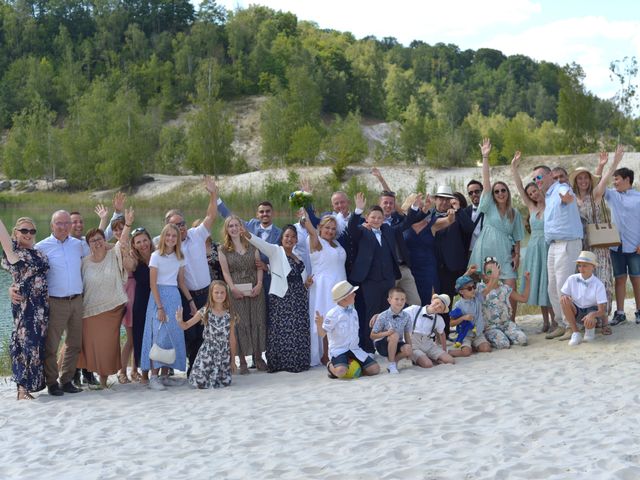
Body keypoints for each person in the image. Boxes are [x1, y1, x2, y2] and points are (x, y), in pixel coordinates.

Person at [348, 192, 421, 353]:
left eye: (379, 218)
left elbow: (405, 224)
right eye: (373, 217)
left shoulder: (388, 229)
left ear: (383, 219)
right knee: (372, 312)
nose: (376, 220)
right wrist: (358, 210)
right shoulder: (361, 230)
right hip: (370, 280)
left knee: (387, 312)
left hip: (388, 279)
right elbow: (351, 228)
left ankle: (384, 346)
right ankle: (368, 347)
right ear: (367, 218)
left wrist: (414, 208)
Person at [161, 177, 220, 377]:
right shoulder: (169, 247)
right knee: (191, 333)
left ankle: (199, 369)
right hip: (186, 296)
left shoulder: (197, 235)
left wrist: (213, 194)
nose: (181, 227)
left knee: (207, 332)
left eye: (182, 223)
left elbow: (211, 215)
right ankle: (191, 367)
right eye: (176, 225)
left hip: (207, 293)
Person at [243, 224, 313, 373]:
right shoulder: (275, 251)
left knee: (298, 329)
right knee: (281, 330)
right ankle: (281, 363)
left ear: (296, 240)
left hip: (299, 298)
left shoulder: (298, 256)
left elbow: (301, 278)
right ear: (282, 238)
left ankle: (298, 361)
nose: (290, 239)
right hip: (282, 297)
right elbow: (261, 244)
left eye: (293, 237)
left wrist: (306, 283)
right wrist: (247, 234)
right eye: (287, 236)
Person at [469, 139, 525, 320]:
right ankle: (486, 322)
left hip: (505, 252)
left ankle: (512, 320)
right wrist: (485, 156)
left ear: (508, 193)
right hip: (485, 251)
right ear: (492, 195)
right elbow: (486, 182)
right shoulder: (489, 206)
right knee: (485, 288)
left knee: (510, 285)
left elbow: (517, 238)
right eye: (497, 191)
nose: (500, 193)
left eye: (503, 190)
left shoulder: (514, 213)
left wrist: (517, 255)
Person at [76, 214, 132, 389]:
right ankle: (76, 377)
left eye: (99, 239)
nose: (97, 242)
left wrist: (128, 224)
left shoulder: (113, 254)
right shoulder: (84, 262)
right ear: (88, 244)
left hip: (112, 308)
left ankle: (103, 381)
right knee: (88, 345)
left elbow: (122, 241)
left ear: (104, 239)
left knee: (107, 345)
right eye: (92, 240)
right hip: (89, 310)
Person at [34, 211, 84, 396]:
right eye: (59, 223)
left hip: (77, 301)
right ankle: (52, 383)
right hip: (55, 302)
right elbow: (24, 268)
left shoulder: (78, 245)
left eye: (66, 223)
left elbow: (101, 242)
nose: (63, 227)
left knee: (74, 343)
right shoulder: (41, 247)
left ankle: (67, 380)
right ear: (52, 225)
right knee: (52, 345)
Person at [531, 163, 583, 340]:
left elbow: (567, 196)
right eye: (534, 179)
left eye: (539, 177)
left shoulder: (560, 187)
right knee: (552, 287)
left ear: (550, 175)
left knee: (564, 286)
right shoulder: (548, 195)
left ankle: (571, 326)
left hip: (567, 243)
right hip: (553, 245)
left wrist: (567, 197)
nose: (536, 181)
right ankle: (560, 323)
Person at [140, 224, 195, 390]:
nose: (171, 238)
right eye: (168, 235)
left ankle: (165, 374)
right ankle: (154, 376)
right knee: (159, 335)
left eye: (174, 236)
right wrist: (160, 307)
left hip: (174, 297)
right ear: (163, 237)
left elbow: (181, 282)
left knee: (172, 334)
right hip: (159, 297)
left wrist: (191, 302)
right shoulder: (156, 256)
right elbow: (153, 284)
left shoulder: (180, 257)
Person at [0, 217, 49, 400]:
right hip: (25, 307)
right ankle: (22, 389)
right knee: (25, 345)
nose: (28, 234)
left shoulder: (38, 253)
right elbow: (2, 236)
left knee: (37, 347)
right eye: (24, 231)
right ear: (15, 233)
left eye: (32, 231)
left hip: (42, 308)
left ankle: (29, 386)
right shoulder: (14, 253)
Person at [594, 146, 640, 325]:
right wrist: (602, 166)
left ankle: (639, 311)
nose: (614, 182)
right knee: (619, 279)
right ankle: (620, 313)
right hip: (616, 245)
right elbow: (598, 185)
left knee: (637, 280)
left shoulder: (638, 198)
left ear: (627, 180)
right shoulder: (612, 195)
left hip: (636, 246)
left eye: (617, 179)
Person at [569, 157, 613, 334]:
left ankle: (604, 321)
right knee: (585, 283)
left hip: (598, 244)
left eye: (586, 178)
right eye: (580, 178)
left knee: (602, 282)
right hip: (581, 245)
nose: (583, 181)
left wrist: (609, 163)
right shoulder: (570, 198)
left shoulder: (594, 195)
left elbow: (604, 179)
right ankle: (588, 318)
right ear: (575, 181)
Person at [511, 152, 554, 333]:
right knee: (538, 283)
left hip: (548, 247)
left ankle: (556, 320)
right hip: (535, 250)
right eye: (530, 194)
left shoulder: (551, 202)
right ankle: (545, 321)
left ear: (540, 188)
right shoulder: (532, 207)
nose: (533, 195)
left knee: (549, 283)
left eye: (534, 191)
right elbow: (519, 188)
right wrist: (514, 167)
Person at [218, 215, 267, 374]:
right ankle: (243, 361)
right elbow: (225, 272)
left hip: (254, 287)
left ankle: (258, 358)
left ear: (241, 227)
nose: (233, 228)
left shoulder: (252, 245)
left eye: (236, 225)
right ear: (226, 229)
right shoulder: (223, 249)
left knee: (257, 320)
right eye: (230, 226)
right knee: (240, 323)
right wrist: (232, 288)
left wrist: (259, 285)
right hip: (236, 289)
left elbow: (259, 267)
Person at [371, 167, 422, 306]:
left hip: (404, 268)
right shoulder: (372, 223)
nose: (388, 205)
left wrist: (415, 207)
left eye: (391, 203)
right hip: (388, 271)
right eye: (385, 203)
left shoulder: (398, 219)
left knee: (415, 303)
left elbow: (408, 218)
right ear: (379, 204)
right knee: (390, 305)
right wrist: (380, 179)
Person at [432, 184, 476, 336]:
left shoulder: (457, 215)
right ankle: (433, 333)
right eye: (441, 199)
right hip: (433, 266)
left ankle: (445, 333)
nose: (444, 202)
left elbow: (470, 229)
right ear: (435, 199)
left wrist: (458, 209)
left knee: (447, 302)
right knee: (433, 301)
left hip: (452, 266)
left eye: (447, 199)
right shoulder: (428, 215)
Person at [176, 280, 238, 389]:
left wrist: (232, 360)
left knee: (222, 384)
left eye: (222, 292)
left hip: (222, 354)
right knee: (200, 383)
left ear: (226, 294)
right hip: (207, 353)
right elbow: (185, 326)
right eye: (216, 292)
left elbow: (232, 339)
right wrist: (180, 320)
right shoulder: (205, 311)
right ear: (211, 294)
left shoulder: (230, 314)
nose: (219, 295)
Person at [303, 214, 346, 366]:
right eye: (327, 227)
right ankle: (326, 354)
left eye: (333, 229)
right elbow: (310, 229)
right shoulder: (316, 241)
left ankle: (339, 351)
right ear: (320, 228)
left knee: (341, 319)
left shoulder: (336, 243)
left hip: (340, 284)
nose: (330, 231)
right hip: (324, 287)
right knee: (327, 319)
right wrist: (304, 208)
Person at [314, 281, 380, 379]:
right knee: (340, 372)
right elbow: (322, 333)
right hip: (339, 351)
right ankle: (330, 365)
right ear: (344, 297)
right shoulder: (333, 314)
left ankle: (354, 365)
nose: (355, 294)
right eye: (352, 293)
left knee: (375, 370)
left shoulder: (353, 311)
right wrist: (319, 324)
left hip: (354, 349)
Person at [402, 193, 455, 304]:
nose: (422, 210)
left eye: (423, 207)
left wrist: (451, 214)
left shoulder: (431, 224)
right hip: (409, 269)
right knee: (410, 302)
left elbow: (449, 220)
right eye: (418, 207)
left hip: (427, 269)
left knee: (429, 300)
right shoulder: (404, 225)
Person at [478, 257, 530, 349]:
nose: (493, 274)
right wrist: (493, 278)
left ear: (499, 272)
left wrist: (527, 281)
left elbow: (524, 299)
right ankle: (498, 338)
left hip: (506, 324)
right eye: (490, 272)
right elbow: (483, 294)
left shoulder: (505, 288)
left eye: (495, 271)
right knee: (504, 344)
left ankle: (508, 336)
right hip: (491, 328)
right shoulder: (481, 288)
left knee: (523, 339)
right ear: (485, 275)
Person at [560, 251, 608, 346]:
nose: (581, 269)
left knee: (589, 337)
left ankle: (589, 329)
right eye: (579, 266)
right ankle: (575, 332)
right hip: (577, 309)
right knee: (563, 300)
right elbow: (563, 295)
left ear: (593, 267)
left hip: (591, 310)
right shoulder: (572, 278)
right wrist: (566, 297)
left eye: (585, 266)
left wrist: (592, 315)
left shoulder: (598, 284)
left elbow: (602, 310)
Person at [128, 226, 154, 384]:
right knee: (141, 337)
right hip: (142, 301)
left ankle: (160, 372)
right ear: (134, 245)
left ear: (150, 240)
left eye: (145, 240)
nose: (143, 244)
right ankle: (144, 373)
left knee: (158, 337)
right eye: (138, 242)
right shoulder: (133, 259)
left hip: (158, 299)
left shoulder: (159, 254)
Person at [402, 293, 455, 368]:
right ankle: (420, 358)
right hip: (413, 342)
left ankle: (429, 357)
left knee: (450, 360)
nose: (437, 307)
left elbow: (442, 334)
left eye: (440, 307)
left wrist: (444, 350)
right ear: (432, 300)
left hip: (428, 343)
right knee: (428, 364)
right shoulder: (414, 309)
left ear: (441, 312)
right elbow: (400, 315)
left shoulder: (439, 319)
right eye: (437, 303)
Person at [369, 287, 413, 374]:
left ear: (405, 301)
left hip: (398, 343)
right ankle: (392, 364)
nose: (399, 302)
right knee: (394, 335)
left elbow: (407, 334)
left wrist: (410, 351)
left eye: (402, 299)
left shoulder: (406, 316)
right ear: (389, 300)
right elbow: (372, 335)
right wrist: (387, 333)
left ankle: (393, 362)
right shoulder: (382, 316)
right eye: (396, 299)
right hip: (382, 345)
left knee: (408, 349)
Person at [449, 274, 492, 358]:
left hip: (478, 334)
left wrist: (495, 275)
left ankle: (473, 346)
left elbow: (489, 288)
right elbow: (451, 323)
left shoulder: (477, 298)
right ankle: (450, 352)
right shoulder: (458, 305)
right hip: (465, 336)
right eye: (469, 288)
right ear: (461, 292)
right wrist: (463, 318)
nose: (473, 290)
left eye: (474, 286)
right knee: (466, 353)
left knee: (486, 349)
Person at [464, 180, 484, 258]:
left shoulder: (491, 209)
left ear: (482, 192)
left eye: (477, 191)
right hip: (471, 252)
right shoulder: (465, 212)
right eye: (471, 193)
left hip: (490, 249)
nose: (474, 194)